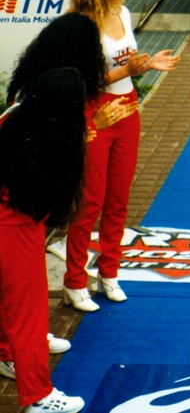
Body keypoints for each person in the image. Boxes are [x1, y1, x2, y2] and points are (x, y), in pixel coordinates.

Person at [62, 0, 180, 312]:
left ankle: (109, 272)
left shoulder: (124, 13)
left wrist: (145, 64)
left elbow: (124, 63)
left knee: (118, 199)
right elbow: (83, 79)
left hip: (127, 109)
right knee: (90, 201)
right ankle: (74, 281)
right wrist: (127, 70)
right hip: (97, 111)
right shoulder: (82, 24)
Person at [0, 69, 90, 413]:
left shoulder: (14, 117)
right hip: (15, 226)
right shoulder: (49, 140)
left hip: (13, 217)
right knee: (29, 314)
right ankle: (38, 396)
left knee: (9, 304)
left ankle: (6, 354)